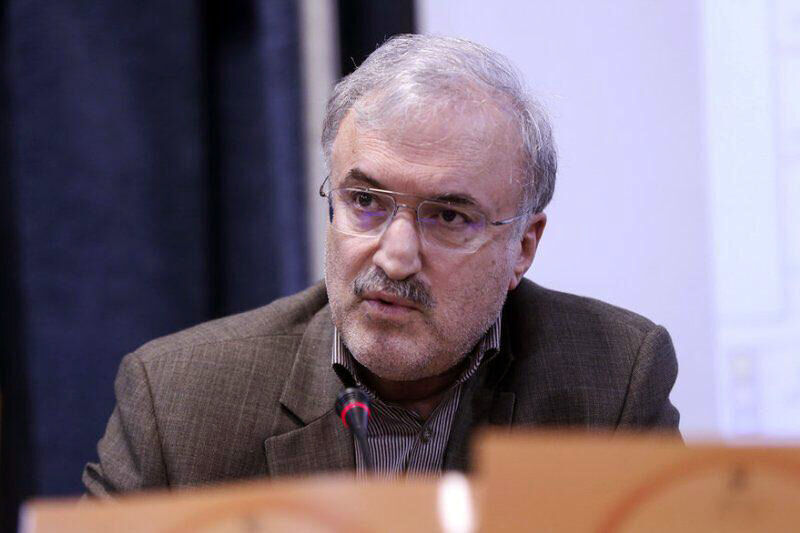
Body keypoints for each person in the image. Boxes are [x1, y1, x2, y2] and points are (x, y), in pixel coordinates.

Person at [83, 34, 679, 495]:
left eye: (448, 216)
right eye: (365, 201)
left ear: (522, 247)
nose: (395, 258)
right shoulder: (177, 400)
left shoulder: (614, 381)